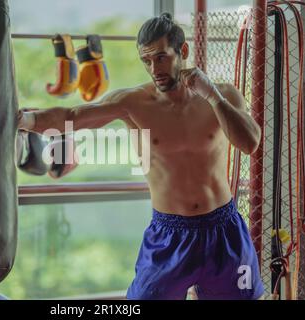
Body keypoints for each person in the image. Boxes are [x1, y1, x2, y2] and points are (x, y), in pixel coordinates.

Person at [17, 13, 264, 300]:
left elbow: (250, 143)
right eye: (146, 60)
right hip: (169, 235)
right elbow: (71, 116)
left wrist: (212, 97)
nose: (153, 68)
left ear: (182, 51)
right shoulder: (133, 103)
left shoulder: (223, 95)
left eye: (161, 57)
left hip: (223, 230)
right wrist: (23, 121)